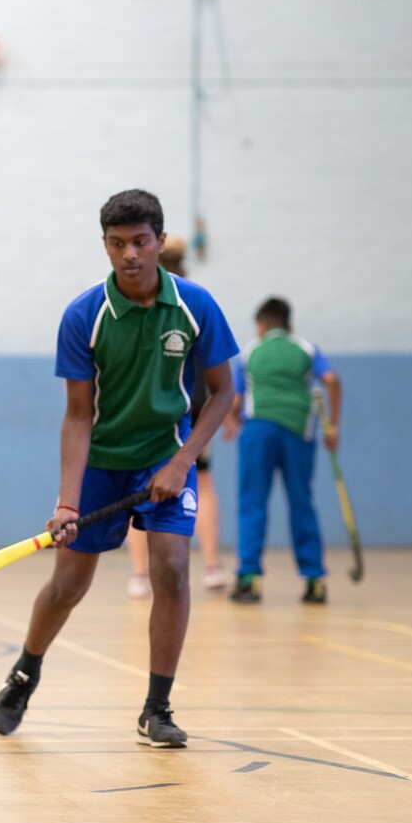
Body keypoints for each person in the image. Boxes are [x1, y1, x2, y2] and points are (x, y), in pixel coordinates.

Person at [0, 189, 237, 747]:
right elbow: (77, 416)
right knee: (69, 585)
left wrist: (181, 461)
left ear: (160, 242)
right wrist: (68, 502)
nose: (129, 254)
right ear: (104, 245)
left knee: (171, 568)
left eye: (140, 242)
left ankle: (157, 707)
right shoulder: (84, 315)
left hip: (166, 455)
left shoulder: (196, 306)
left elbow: (223, 393)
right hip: (102, 459)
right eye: (117, 243)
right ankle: (25, 671)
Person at [124, 238, 228, 595]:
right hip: (195, 410)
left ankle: (140, 574)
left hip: (158, 415)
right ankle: (212, 567)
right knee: (204, 484)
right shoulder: (197, 298)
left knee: (137, 490)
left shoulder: (153, 299)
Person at [228, 297, 341, 605]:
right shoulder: (306, 349)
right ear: (289, 323)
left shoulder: (251, 351)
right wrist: (334, 427)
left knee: (252, 503)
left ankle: (249, 579)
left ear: (262, 325)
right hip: (298, 430)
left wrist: (231, 422)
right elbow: (331, 380)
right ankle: (315, 579)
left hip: (258, 430)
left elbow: (236, 400)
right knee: (302, 502)